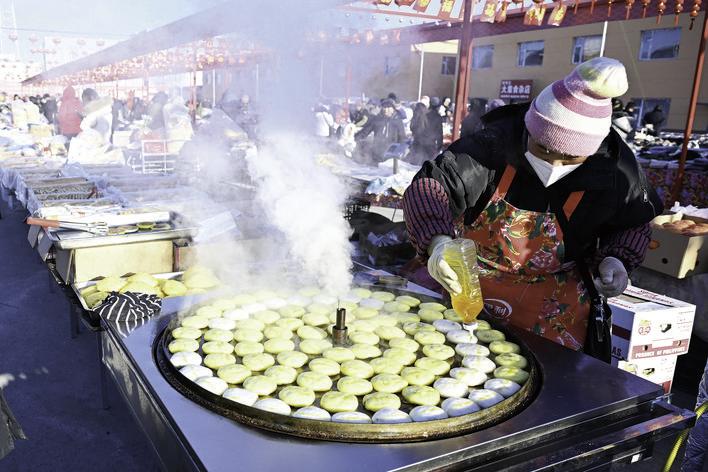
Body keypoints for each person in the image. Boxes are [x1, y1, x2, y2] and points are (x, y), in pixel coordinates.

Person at [402, 57, 662, 353]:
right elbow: (431, 186)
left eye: (569, 158)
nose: (554, 163)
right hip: (469, 285)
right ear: (530, 128)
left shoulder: (616, 171)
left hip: (552, 304)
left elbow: (634, 220)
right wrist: (437, 242)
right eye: (543, 148)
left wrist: (618, 258)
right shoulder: (492, 146)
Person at [354, 98, 406, 165]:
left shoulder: (398, 121)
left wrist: (399, 151)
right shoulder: (377, 119)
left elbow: (402, 137)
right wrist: (354, 138)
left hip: (390, 154)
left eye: (388, 108)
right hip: (377, 151)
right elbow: (365, 131)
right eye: (384, 107)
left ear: (393, 109)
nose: (386, 110)